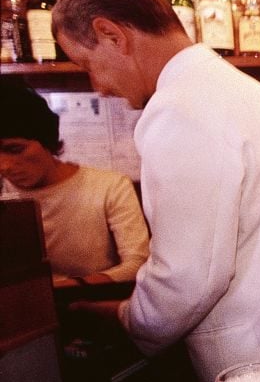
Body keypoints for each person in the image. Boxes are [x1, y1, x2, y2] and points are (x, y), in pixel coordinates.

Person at [50, 0, 260, 382]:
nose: (99, 87)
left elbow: (188, 278)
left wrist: (128, 319)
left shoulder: (181, 108)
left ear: (111, 34)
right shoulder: (238, 88)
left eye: (88, 65)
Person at [0, 78, 149, 287]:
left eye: (15, 149)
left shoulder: (109, 187)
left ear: (46, 140)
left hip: (90, 302)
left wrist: (66, 287)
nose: (4, 166)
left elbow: (137, 264)